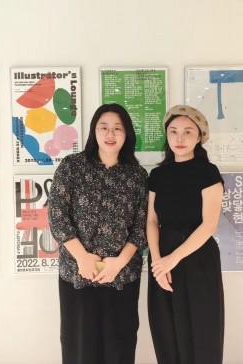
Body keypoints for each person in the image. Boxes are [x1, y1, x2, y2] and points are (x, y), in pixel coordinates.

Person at [48, 102, 148, 364]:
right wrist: (82, 258)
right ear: (94, 131)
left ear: (127, 134)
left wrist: (120, 262)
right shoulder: (72, 167)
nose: (110, 134)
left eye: (117, 128)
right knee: (80, 350)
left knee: (120, 349)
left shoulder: (137, 175)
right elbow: (57, 217)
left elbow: (141, 227)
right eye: (103, 127)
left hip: (122, 277)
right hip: (78, 275)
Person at [147, 105, 225, 364]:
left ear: (199, 136)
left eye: (188, 131)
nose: (179, 138)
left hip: (198, 257)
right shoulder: (157, 175)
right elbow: (151, 220)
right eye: (173, 131)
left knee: (202, 330)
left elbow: (209, 226)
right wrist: (158, 263)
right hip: (162, 260)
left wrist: (173, 259)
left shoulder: (208, 172)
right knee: (166, 331)